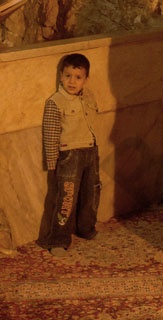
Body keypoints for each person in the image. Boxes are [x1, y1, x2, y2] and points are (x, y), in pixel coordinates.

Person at [37, 53, 100, 256]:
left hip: (90, 150)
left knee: (91, 192)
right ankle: (59, 239)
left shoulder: (87, 97)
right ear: (61, 76)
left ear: (85, 79)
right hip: (69, 155)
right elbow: (51, 134)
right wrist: (53, 163)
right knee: (67, 198)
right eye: (68, 76)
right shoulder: (55, 102)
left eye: (78, 77)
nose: (72, 81)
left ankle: (86, 228)